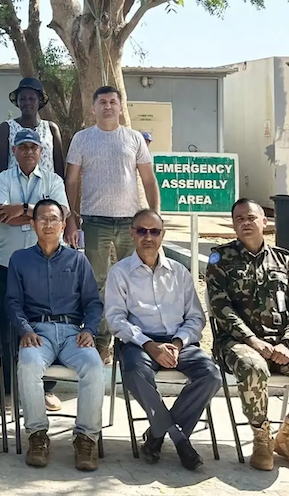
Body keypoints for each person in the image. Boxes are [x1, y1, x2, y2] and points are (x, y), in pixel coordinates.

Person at [206, 199, 289, 473]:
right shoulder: (220, 259)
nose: (245, 222)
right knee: (253, 367)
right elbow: (221, 307)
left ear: (263, 222)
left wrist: (288, 343)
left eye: (250, 217)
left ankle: (287, 437)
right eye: (239, 218)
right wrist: (252, 341)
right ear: (233, 225)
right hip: (237, 343)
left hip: (282, 342)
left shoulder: (285, 260)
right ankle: (261, 439)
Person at [104, 209, 221, 471]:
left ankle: (156, 435)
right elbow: (116, 320)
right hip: (139, 344)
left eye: (154, 231)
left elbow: (195, 318)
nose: (148, 237)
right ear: (132, 233)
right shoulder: (120, 273)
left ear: (162, 234)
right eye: (142, 231)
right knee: (134, 371)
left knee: (211, 375)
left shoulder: (180, 273)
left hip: (179, 343)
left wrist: (178, 344)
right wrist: (150, 345)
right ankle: (180, 440)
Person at [64, 85, 160, 361]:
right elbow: (71, 181)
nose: (107, 106)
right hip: (95, 222)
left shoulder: (133, 139)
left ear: (120, 107)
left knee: (133, 281)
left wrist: (154, 218)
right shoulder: (82, 139)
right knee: (98, 283)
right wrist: (71, 219)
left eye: (112, 102)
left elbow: (149, 179)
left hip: (132, 224)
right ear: (93, 108)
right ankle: (101, 341)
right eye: (102, 102)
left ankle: (132, 341)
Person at [9, 199, 104, 471]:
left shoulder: (78, 260)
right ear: (32, 224)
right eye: (42, 219)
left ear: (63, 225)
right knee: (28, 364)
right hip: (38, 332)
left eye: (54, 219)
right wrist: (24, 329)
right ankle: (37, 436)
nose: (48, 224)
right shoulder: (20, 259)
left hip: (74, 333)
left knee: (94, 367)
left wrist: (89, 329)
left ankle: (86, 439)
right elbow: (13, 302)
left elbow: (93, 303)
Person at [0, 128, 69, 410]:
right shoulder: (3, 179)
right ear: (14, 151)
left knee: (46, 323)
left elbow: (59, 215)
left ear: (40, 151)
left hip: (45, 263)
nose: (28, 152)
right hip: (9, 263)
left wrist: (22, 208)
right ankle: (10, 389)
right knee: (9, 324)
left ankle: (44, 388)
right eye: (22, 147)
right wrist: (39, 214)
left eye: (33, 147)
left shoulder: (53, 180)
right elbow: (0, 215)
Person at [0, 77, 65, 180]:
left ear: (39, 100)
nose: (27, 102)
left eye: (32, 99)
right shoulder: (6, 128)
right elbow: (0, 171)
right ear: (17, 101)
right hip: (15, 192)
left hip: (46, 192)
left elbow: (59, 171)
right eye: (23, 98)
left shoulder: (51, 129)